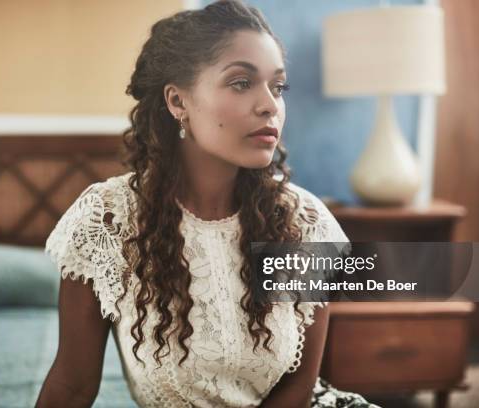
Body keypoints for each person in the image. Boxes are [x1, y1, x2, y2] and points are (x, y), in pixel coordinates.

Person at [36, 1, 381, 407]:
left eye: (278, 86)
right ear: (177, 102)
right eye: (241, 82)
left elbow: (299, 387)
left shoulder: (305, 224)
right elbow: (72, 386)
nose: (270, 104)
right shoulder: (108, 220)